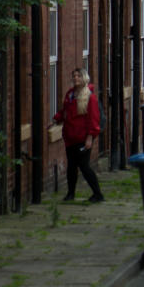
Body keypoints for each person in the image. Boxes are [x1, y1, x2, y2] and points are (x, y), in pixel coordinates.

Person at [53, 67, 104, 203]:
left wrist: (90, 137)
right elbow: (65, 112)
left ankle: (98, 194)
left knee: (84, 166)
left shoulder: (90, 97)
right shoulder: (70, 94)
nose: (75, 78)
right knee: (71, 167)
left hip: (82, 138)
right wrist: (56, 118)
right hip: (70, 137)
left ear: (84, 78)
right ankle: (71, 194)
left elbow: (93, 119)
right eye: (74, 76)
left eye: (78, 76)